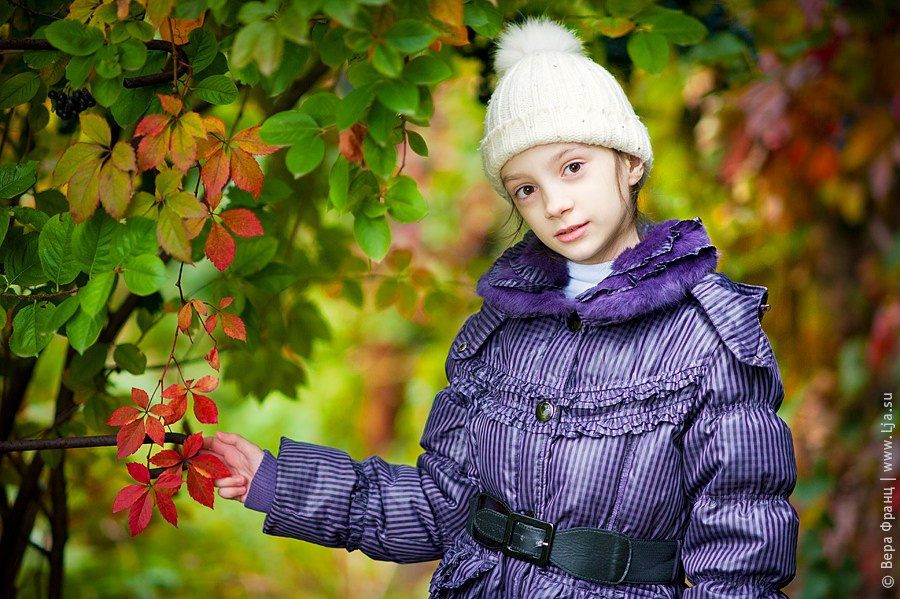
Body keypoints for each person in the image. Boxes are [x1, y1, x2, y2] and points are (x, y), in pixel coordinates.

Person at [204, 17, 799, 597]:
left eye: (572, 167)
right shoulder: (501, 330)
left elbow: (740, 562)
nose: (556, 204)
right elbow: (439, 507)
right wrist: (276, 483)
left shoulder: (706, 335)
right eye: (526, 188)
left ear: (630, 160)